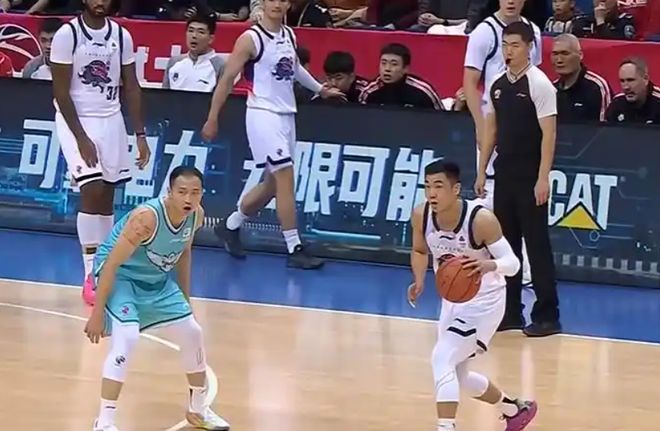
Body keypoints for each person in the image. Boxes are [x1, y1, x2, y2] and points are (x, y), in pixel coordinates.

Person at [83, 166, 230, 431]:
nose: (188, 198)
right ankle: (104, 422)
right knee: (127, 338)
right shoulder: (146, 218)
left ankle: (198, 410)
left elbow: (184, 254)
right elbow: (111, 263)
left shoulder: (196, 216)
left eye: (195, 192)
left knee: (193, 332)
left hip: (155, 279)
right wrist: (97, 313)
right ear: (169, 192)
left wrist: (185, 299)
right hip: (122, 278)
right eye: (182, 192)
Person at [201, 0, 344, 269]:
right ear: (263, 3)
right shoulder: (251, 39)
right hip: (262, 113)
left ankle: (229, 226)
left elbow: (295, 68)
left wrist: (320, 89)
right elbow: (227, 78)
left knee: (272, 185)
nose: (277, 4)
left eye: (282, 0)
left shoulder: (289, 34)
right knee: (285, 177)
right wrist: (212, 117)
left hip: (286, 114)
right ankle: (294, 247)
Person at [408, 160, 537, 431]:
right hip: (453, 301)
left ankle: (446, 428)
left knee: (442, 357)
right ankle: (514, 410)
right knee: (459, 375)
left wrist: (487, 264)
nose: (431, 193)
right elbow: (419, 250)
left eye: (438, 186)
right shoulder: (421, 215)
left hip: (485, 301)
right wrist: (419, 280)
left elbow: (513, 264)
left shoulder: (480, 220)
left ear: (455, 189)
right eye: (427, 186)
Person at [50, 0, 151, 306]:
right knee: (91, 188)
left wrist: (140, 134)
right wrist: (81, 137)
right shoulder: (68, 34)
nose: (100, 1)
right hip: (76, 119)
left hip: (110, 118)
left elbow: (131, 86)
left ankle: (106, 267)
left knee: (107, 195)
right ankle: (90, 273)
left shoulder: (121, 35)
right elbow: (60, 92)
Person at [475, 22, 561, 337]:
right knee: (505, 245)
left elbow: (549, 135)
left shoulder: (540, 84)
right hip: (505, 173)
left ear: (529, 47)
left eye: (515, 45)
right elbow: (491, 131)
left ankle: (548, 316)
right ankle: (510, 312)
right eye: (505, 45)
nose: (508, 51)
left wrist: (543, 178)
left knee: (536, 246)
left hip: (530, 174)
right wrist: (482, 170)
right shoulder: (498, 84)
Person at [463, 0, 541, 290]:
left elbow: (534, 80)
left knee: (522, 197)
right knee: (489, 194)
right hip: (493, 125)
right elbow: (470, 82)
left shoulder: (533, 31)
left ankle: (520, 267)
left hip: (521, 128)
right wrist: (480, 125)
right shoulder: (484, 32)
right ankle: (487, 263)